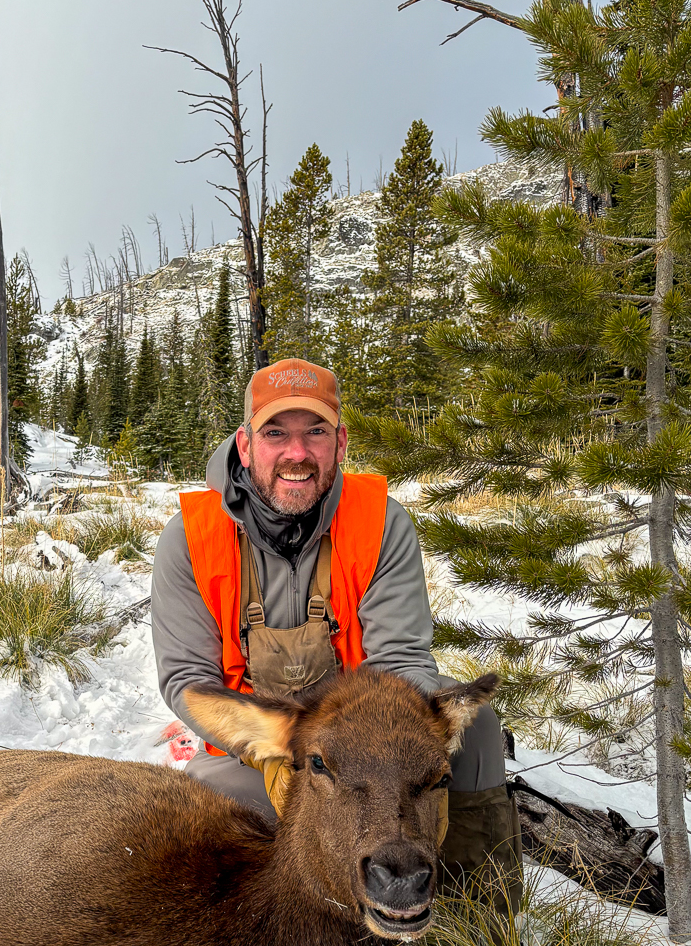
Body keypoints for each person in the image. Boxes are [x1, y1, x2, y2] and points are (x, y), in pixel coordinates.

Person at [150, 356, 521, 895]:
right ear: (246, 444)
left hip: (370, 742)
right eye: (276, 433)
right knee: (201, 812)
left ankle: (474, 909)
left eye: (315, 433)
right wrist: (275, 753)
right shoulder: (189, 538)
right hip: (257, 748)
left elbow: (401, 660)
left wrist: (380, 749)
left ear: (340, 443)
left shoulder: (380, 522)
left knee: (480, 730)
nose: (296, 453)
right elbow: (186, 680)